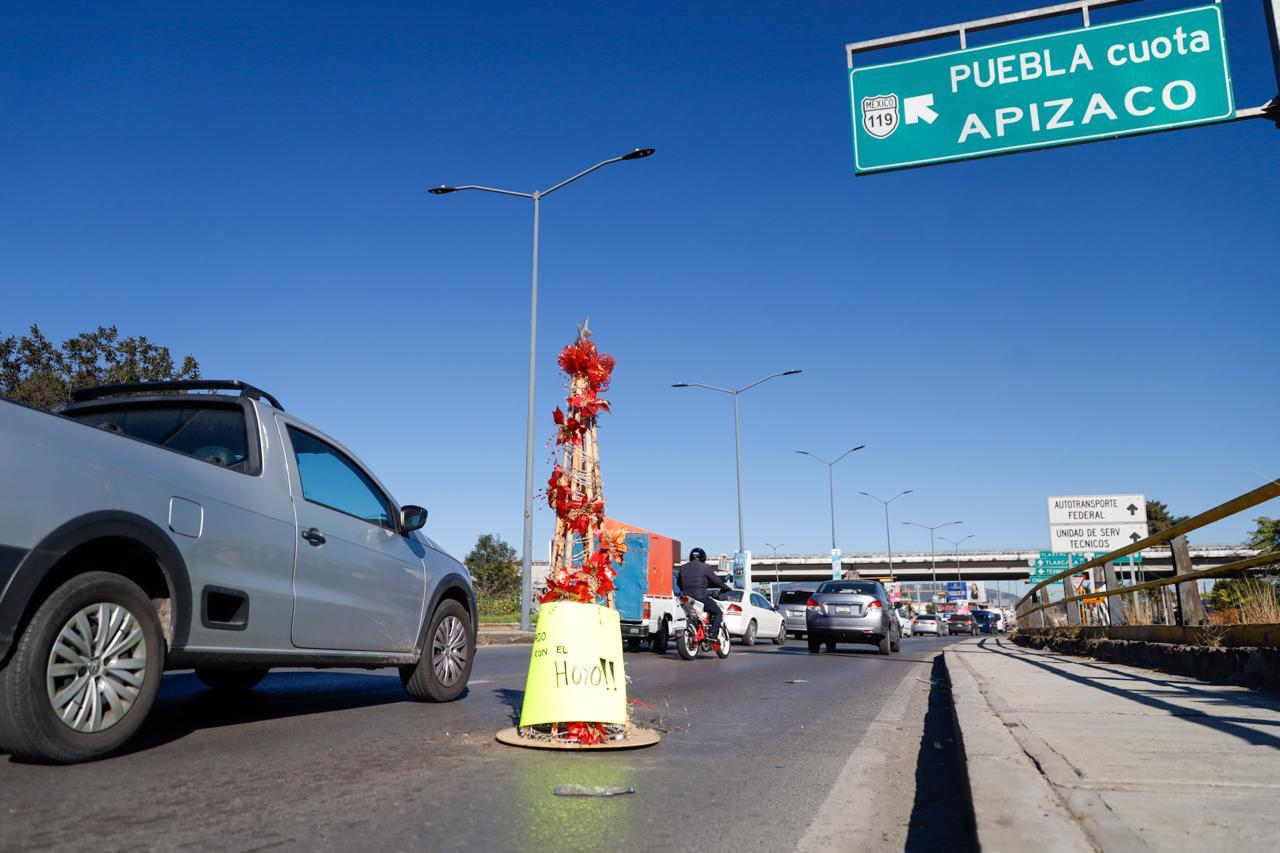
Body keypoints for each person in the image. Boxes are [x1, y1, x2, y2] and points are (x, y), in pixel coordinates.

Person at [677, 547, 732, 643]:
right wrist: (726, 588)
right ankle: (712, 635)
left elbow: (679, 584)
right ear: (703, 557)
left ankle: (698, 630)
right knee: (718, 612)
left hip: (686, 598)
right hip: (701, 598)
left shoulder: (683, 568)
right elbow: (717, 581)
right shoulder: (705, 567)